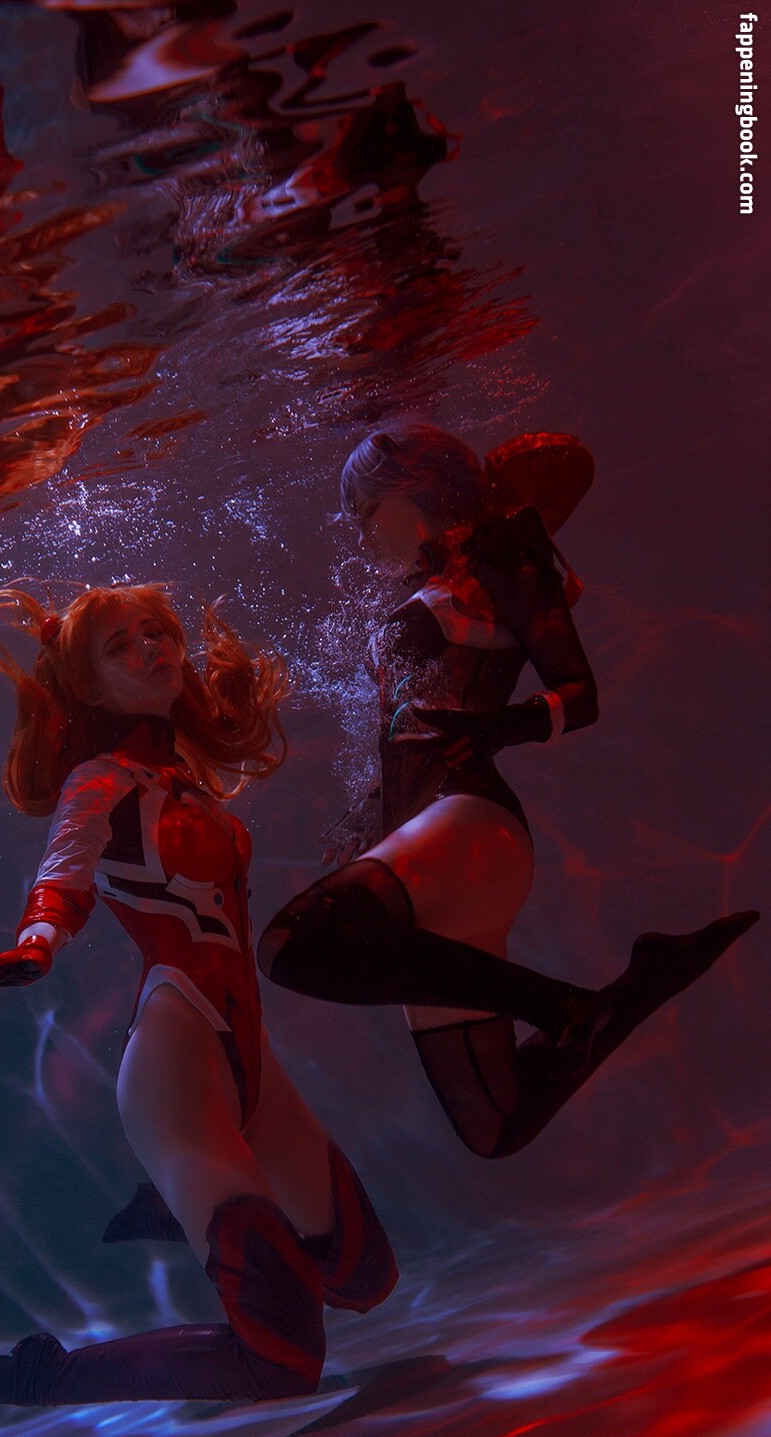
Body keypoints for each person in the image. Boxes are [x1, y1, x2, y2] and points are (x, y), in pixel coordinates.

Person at [255, 425, 758, 1158]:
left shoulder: (506, 556)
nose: (359, 536)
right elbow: (407, 724)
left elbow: (578, 696)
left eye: (365, 512)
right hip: (432, 843)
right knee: (494, 1126)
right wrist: (372, 809)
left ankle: (563, 1006)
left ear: (416, 489)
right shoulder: (434, 585)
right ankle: (638, 984)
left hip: (468, 823)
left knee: (291, 943)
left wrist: (499, 727)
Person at [0, 583, 397, 1408]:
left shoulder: (184, 781)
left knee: (362, 1276)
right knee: (282, 1362)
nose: (151, 649)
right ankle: (46, 1374)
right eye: (121, 645)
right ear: (88, 685)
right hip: (177, 1069)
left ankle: (179, 1204)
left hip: (248, 1059)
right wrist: (35, 943)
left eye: (157, 632)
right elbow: (65, 872)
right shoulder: (99, 780)